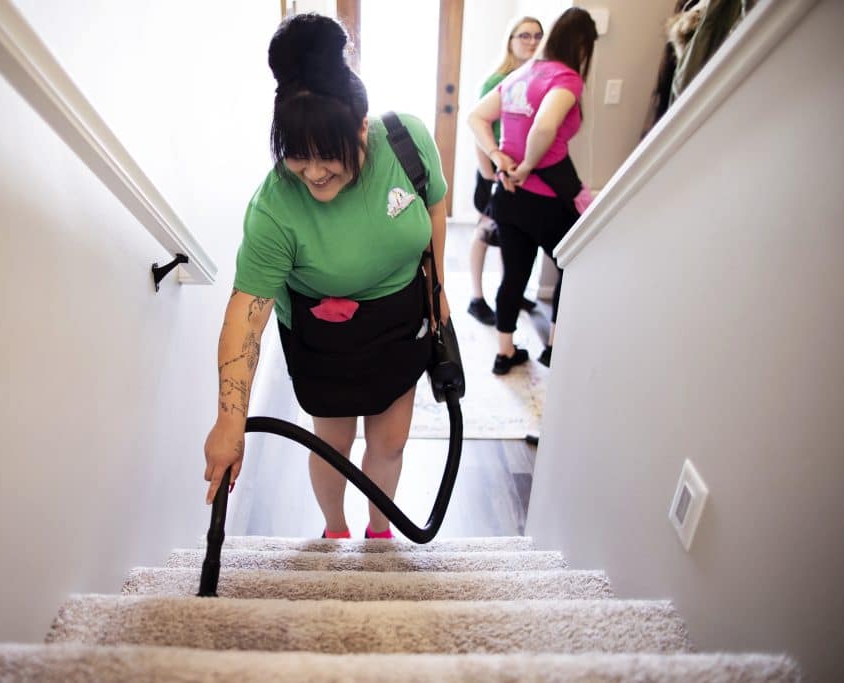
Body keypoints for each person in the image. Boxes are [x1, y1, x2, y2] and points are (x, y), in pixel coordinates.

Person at [203, 13, 450, 540]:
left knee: (391, 442)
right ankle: (334, 529)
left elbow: (434, 211)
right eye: (298, 158)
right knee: (332, 443)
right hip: (323, 335)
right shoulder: (274, 210)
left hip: (401, 318)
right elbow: (246, 320)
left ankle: (380, 530)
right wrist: (229, 421)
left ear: (363, 127)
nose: (314, 173)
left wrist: (440, 293)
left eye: (329, 157)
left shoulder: (406, 141)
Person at [467, 7, 597, 373]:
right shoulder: (565, 78)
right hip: (548, 199)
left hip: (508, 197)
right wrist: (525, 166)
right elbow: (544, 127)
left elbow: (476, 115)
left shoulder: (522, 74)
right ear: (583, 44)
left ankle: (504, 352)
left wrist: (497, 157)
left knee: (513, 275)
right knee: (570, 267)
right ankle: (553, 347)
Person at [467, 15, 544, 326]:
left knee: (510, 236)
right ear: (511, 42)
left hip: (521, 174)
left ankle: (508, 292)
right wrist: (488, 174)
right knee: (485, 230)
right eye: (524, 36)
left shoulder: (540, 79)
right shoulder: (496, 81)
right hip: (493, 171)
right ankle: (475, 297)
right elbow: (478, 128)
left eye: (538, 35)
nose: (532, 41)